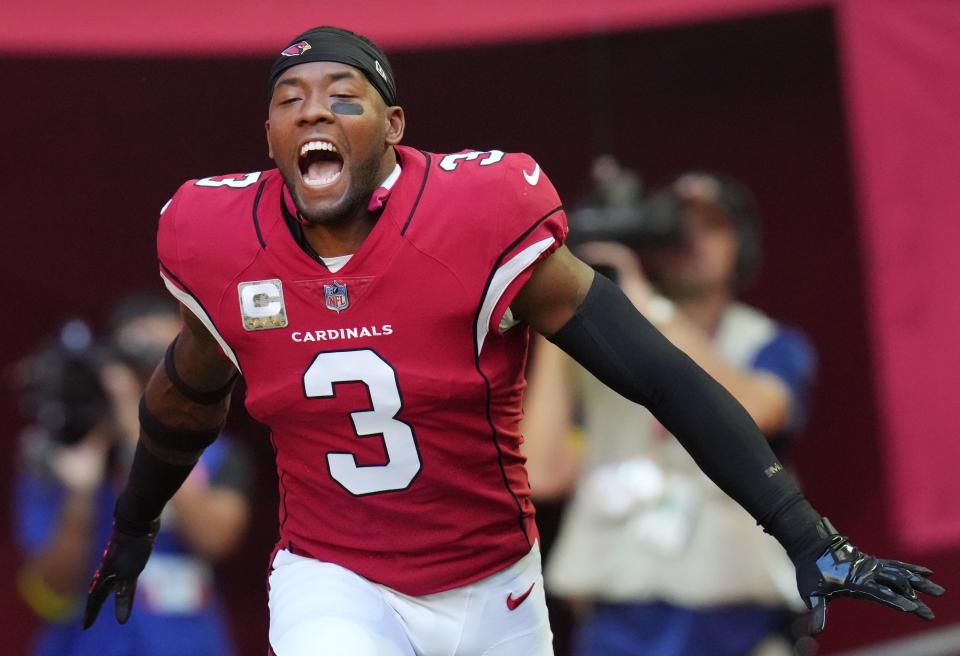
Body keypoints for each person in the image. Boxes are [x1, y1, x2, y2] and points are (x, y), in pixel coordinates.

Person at [81, 26, 943, 656]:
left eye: (346, 98)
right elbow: (187, 393)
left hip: (495, 581)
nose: (315, 111)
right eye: (290, 101)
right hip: (335, 573)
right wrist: (133, 526)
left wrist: (802, 532)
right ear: (269, 137)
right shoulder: (220, 238)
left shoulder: (477, 217)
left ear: (393, 128)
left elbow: (660, 376)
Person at [523, 172, 816, 655]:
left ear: (741, 244)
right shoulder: (603, 350)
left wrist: (648, 307)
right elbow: (540, 472)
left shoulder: (768, 344)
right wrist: (567, 312)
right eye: (675, 225)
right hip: (617, 620)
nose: (689, 239)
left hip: (734, 623)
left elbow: (760, 413)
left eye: (710, 227)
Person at [13, 296, 251, 656]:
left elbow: (215, 539)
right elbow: (51, 589)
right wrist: (80, 498)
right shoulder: (63, 453)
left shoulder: (218, 455)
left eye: (171, 359)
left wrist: (143, 431)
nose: (158, 375)